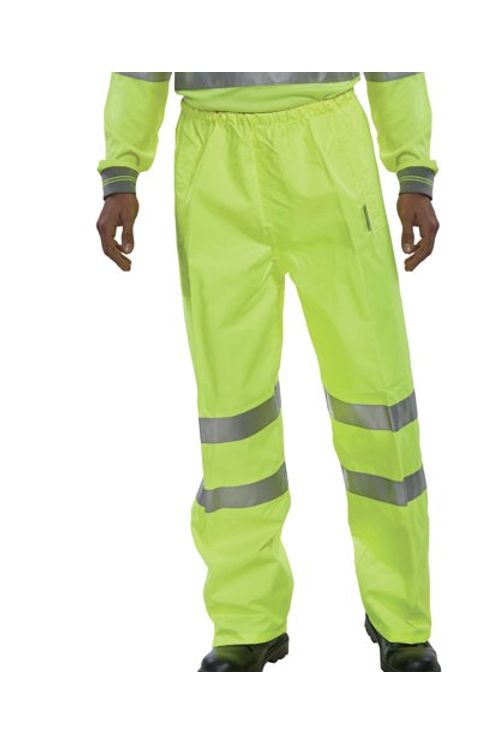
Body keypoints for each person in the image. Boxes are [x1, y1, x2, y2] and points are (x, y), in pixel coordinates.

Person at [96, 72, 441, 672]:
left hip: (327, 139)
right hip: (214, 157)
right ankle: (246, 621)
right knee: (232, 407)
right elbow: (141, 49)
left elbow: (392, 46)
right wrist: (121, 171)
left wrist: (413, 171)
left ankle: (402, 619)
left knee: (375, 392)